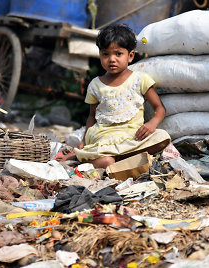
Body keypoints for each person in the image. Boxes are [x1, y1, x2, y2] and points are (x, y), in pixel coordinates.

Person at [71, 24, 171, 169]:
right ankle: (108, 160)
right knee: (106, 161)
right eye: (106, 54)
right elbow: (92, 116)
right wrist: (84, 141)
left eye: (118, 54)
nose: (112, 59)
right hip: (104, 136)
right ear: (99, 55)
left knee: (162, 138)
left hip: (132, 136)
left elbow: (159, 108)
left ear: (130, 56)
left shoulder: (140, 79)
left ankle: (114, 159)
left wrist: (152, 124)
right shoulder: (95, 85)